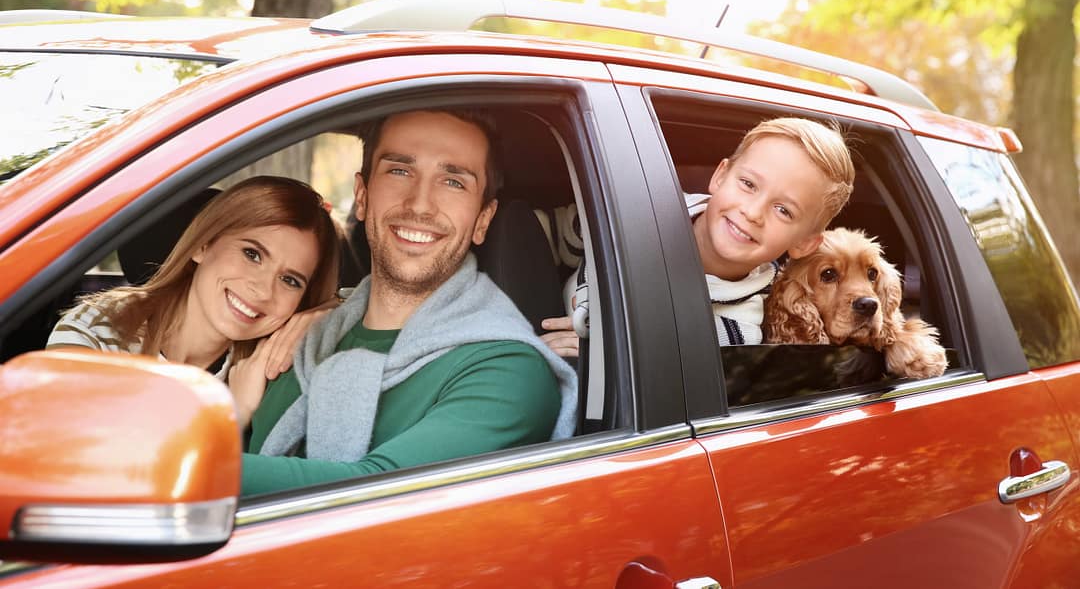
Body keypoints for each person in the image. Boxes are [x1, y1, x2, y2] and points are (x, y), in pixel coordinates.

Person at [236, 109, 578, 496]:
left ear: (483, 220)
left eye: (453, 181)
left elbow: (369, 496)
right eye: (400, 170)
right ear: (362, 196)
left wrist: (182, 459)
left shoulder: (510, 371)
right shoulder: (299, 340)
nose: (420, 204)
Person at [541, 116, 855, 354]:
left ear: (804, 243)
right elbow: (538, 234)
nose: (752, 212)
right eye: (748, 184)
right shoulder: (636, 212)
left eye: (783, 210)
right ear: (720, 176)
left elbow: (658, 368)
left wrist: (608, 351)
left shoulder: (739, 328)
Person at [47, 175, 342, 380]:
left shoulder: (274, 364)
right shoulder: (99, 330)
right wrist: (237, 412)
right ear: (203, 244)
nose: (264, 291)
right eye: (252, 254)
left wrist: (330, 313)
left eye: (290, 280)